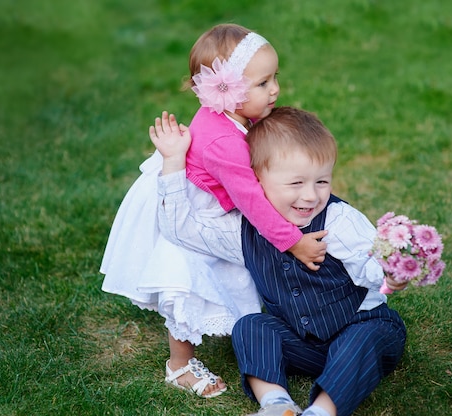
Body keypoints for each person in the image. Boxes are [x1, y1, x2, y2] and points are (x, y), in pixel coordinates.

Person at [99, 24, 325, 398]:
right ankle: (180, 365)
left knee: (238, 264)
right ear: (229, 91)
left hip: (208, 204)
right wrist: (293, 242)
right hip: (188, 214)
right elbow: (252, 202)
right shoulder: (223, 142)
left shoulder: (233, 118)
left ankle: (273, 328)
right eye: (263, 83)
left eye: (275, 78)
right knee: (187, 275)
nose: (275, 89)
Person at [150, 106, 408, 416]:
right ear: (256, 182)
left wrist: (388, 274)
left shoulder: (338, 219)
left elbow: (368, 261)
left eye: (322, 182)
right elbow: (181, 229)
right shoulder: (241, 230)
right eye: (296, 184)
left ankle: (321, 411)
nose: (311, 196)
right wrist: (173, 161)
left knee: (365, 338)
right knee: (251, 326)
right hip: (301, 344)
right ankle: (276, 403)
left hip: (360, 326)